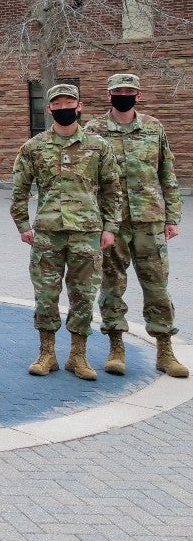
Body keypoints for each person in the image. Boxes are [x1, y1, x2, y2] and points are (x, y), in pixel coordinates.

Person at [11, 83, 122, 381]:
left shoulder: (99, 146)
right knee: (46, 295)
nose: (63, 108)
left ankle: (78, 354)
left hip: (87, 233)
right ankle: (47, 353)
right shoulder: (34, 147)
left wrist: (110, 227)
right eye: (57, 104)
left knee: (83, 295)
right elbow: (19, 190)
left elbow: (112, 190)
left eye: (69, 103)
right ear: (49, 109)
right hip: (47, 233)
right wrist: (23, 225)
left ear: (80, 106)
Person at [85, 73, 186, 377]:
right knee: (111, 285)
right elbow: (88, 179)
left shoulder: (154, 127)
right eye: (118, 91)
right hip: (111, 223)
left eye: (129, 91)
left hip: (149, 221)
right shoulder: (95, 130)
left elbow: (167, 172)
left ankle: (165, 349)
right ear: (109, 95)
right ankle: (116, 346)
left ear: (139, 96)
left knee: (157, 285)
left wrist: (172, 217)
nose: (124, 95)